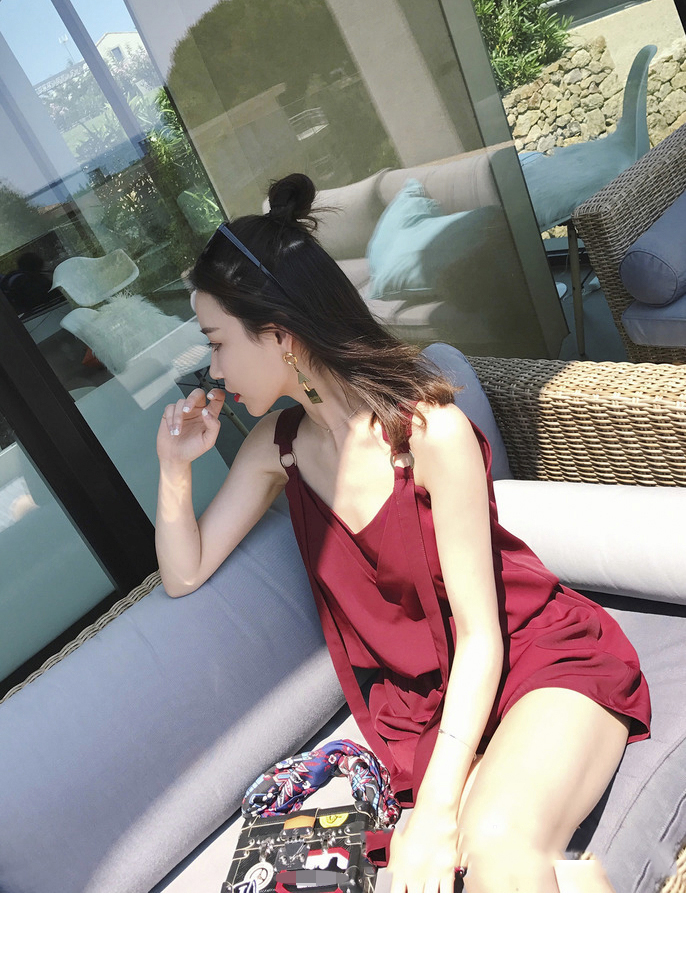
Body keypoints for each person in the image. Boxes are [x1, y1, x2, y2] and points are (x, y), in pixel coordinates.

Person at [155, 173, 651, 893]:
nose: (213, 367)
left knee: (494, 844)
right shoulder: (276, 447)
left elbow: (482, 636)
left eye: (218, 341)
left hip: (535, 662)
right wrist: (176, 468)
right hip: (427, 711)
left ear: (280, 335)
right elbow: (184, 572)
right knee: (468, 883)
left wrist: (439, 811)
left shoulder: (428, 434)